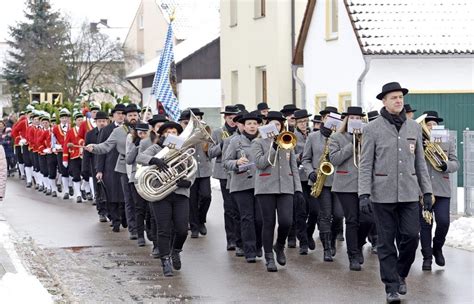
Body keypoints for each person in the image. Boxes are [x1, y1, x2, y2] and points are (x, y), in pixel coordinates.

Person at [358, 82, 432, 303]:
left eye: (400, 97)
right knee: (386, 242)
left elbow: (420, 163)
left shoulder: (414, 128)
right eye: (394, 98)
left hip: (409, 193)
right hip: (382, 195)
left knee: (411, 236)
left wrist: (427, 191)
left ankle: (400, 273)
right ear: (384, 101)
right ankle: (391, 286)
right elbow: (365, 164)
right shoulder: (371, 129)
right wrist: (364, 193)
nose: (398, 101)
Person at [136, 121, 195, 277]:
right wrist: (153, 160)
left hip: (180, 192)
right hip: (160, 194)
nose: (171, 134)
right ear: (162, 135)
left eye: (174, 132)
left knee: (182, 229)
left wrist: (188, 182)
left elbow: (193, 168)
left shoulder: (183, 149)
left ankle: (175, 250)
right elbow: (140, 156)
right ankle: (165, 260)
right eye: (168, 132)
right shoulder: (156, 148)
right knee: (163, 229)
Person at [252, 111, 302, 272]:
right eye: (273, 124)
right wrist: (273, 146)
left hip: (286, 186)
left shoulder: (287, 141)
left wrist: (298, 189)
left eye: (278, 124)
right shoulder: (257, 143)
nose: (276, 127)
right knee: (269, 223)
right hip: (265, 187)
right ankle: (268, 257)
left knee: (287, 221)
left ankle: (279, 246)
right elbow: (260, 164)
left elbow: (293, 166)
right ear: (267, 125)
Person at [85, 104, 140, 239]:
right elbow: (105, 146)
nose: (132, 117)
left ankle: (139, 226)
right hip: (119, 167)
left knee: (138, 201)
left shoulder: (143, 129)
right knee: (121, 197)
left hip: (140, 169)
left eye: (135, 115)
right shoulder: (116, 131)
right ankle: (130, 227)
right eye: (129, 115)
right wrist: (95, 149)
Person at [328, 106, 374, 271]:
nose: (356, 121)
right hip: (345, 184)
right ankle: (353, 255)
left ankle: (359, 243)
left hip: (365, 184)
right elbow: (334, 159)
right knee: (352, 219)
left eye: (359, 118)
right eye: (353, 117)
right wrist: (353, 144)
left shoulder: (368, 136)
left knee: (368, 219)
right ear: (347, 119)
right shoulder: (336, 137)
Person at [302, 106, 344, 262]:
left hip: (339, 181)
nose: (330, 120)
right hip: (321, 181)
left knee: (339, 215)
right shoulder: (313, 137)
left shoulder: (341, 136)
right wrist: (310, 172)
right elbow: (305, 159)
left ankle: (332, 239)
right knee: (325, 215)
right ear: (323, 119)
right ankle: (326, 247)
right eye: (327, 117)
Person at [419, 111, 459, 271]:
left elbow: (456, 163)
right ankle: (427, 257)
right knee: (425, 225)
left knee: (443, 222)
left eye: (434, 124)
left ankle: (437, 247)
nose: (431, 127)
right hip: (423, 190)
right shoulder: (418, 142)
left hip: (442, 190)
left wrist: (446, 165)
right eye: (428, 124)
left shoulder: (447, 142)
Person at [223, 112, 263, 263]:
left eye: (255, 123)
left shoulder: (264, 140)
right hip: (241, 184)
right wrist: (237, 162)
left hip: (261, 184)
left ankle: (259, 245)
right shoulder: (235, 141)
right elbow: (226, 162)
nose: (252, 126)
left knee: (260, 219)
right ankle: (250, 250)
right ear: (243, 126)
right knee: (247, 218)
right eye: (249, 124)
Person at [208, 105, 240, 250]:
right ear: (225, 118)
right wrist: (222, 144)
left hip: (239, 172)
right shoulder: (218, 132)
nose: (232, 121)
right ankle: (231, 239)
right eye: (230, 118)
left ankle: (241, 237)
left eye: (234, 118)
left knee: (239, 206)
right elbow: (210, 153)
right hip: (224, 173)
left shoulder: (241, 132)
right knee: (229, 207)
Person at [179, 108, 212, 238]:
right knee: (191, 200)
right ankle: (194, 226)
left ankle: (201, 220)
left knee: (206, 196)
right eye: (187, 122)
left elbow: (212, 152)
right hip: (188, 171)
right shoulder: (179, 135)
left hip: (204, 170)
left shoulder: (207, 131)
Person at [94, 104, 126, 232]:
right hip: (110, 166)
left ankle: (124, 218)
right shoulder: (106, 130)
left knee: (124, 194)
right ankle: (115, 220)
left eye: (123, 113)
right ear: (113, 116)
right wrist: (99, 170)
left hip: (125, 164)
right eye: (118, 113)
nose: (121, 116)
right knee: (112, 194)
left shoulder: (129, 129)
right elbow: (101, 150)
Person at [126, 122, 152, 247]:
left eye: (144, 133)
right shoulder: (134, 143)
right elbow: (129, 160)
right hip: (136, 178)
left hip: (150, 177)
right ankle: (140, 235)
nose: (142, 135)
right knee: (139, 208)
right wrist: (135, 148)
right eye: (139, 133)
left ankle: (150, 230)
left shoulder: (152, 143)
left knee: (150, 208)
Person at [292, 109, 312, 254]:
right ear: (296, 123)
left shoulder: (313, 135)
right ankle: (303, 240)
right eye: (301, 122)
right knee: (301, 211)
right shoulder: (291, 136)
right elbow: (289, 156)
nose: (304, 124)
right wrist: (301, 156)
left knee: (315, 211)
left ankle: (309, 233)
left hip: (313, 177)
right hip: (299, 177)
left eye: (306, 121)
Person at [62, 112, 85, 203]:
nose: (80, 121)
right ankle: (78, 194)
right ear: (75, 121)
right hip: (74, 156)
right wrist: (65, 158)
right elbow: (65, 145)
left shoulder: (87, 130)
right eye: (79, 120)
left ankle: (83, 188)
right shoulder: (70, 131)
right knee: (76, 175)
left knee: (86, 174)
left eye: (82, 120)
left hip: (85, 156)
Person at [52, 109, 71, 199]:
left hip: (71, 152)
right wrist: (55, 146)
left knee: (72, 170)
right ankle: (66, 191)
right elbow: (53, 140)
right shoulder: (55, 128)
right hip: (60, 152)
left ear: (67, 119)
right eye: (62, 118)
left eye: (65, 118)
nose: (64, 119)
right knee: (63, 171)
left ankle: (70, 186)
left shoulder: (71, 127)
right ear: (60, 119)